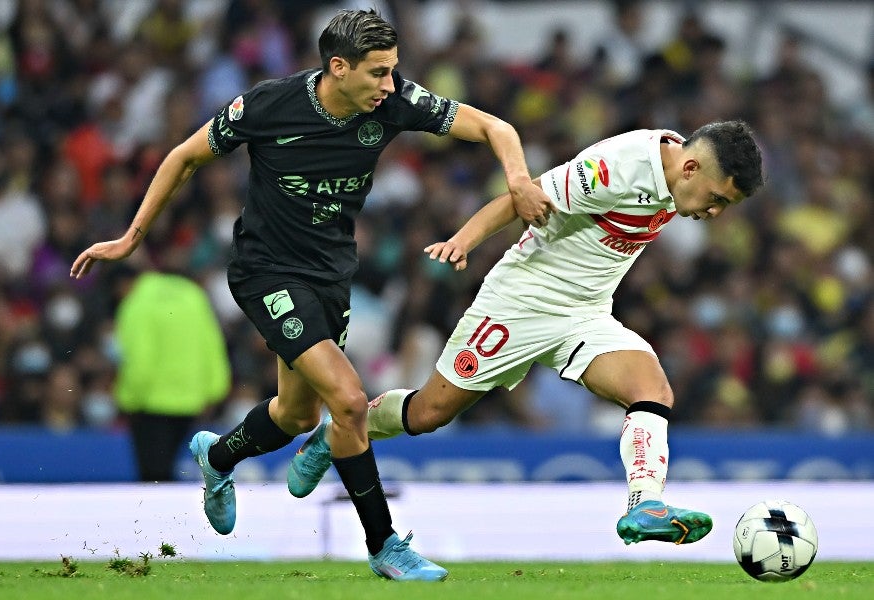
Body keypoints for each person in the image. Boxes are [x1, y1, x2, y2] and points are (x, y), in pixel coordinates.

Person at [69, 9, 553, 581]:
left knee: (296, 415)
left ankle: (217, 456)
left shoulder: (395, 102)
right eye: (378, 73)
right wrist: (131, 237)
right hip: (266, 272)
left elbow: (497, 128)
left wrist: (519, 179)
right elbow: (185, 156)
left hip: (330, 274)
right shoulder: (269, 104)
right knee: (348, 401)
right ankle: (384, 546)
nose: (390, 85)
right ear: (338, 68)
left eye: (394, 71)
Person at [287, 120, 764, 547]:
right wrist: (462, 242)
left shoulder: (678, 176)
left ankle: (645, 504)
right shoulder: (617, 168)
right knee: (430, 412)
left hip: (585, 313)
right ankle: (336, 434)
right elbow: (524, 196)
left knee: (652, 388)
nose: (716, 212)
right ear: (690, 168)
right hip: (520, 302)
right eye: (717, 199)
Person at [112, 266, 231, 482]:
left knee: (153, 476)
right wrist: (215, 390)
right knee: (171, 472)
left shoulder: (136, 303)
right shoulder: (192, 294)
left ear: (122, 285)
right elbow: (212, 345)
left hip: (150, 404)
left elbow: (140, 358)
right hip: (191, 403)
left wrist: (127, 400)